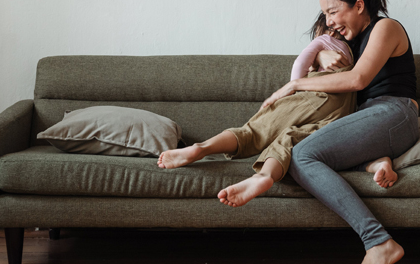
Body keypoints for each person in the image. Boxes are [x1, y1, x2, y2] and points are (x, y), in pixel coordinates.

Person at [260, 0, 419, 264]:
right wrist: (322, 50)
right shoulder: (352, 40)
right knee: (302, 148)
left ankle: (379, 243)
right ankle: (374, 161)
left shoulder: (386, 27)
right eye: (325, 14)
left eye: (333, 11)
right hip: (366, 118)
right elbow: (329, 62)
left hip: (394, 112)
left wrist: (294, 86)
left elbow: (358, 79)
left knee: (303, 156)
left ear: (359, 5)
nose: (329, 20)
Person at [156, 17, 399, 207]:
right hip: (340, 113)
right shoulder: (356, 53)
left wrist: (296, 86)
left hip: (313, 98)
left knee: (253, 132)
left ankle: (203, 148)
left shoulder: (322, 41)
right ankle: (265, 176)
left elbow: (300, 64)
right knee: (291, 139)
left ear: (322, 31)